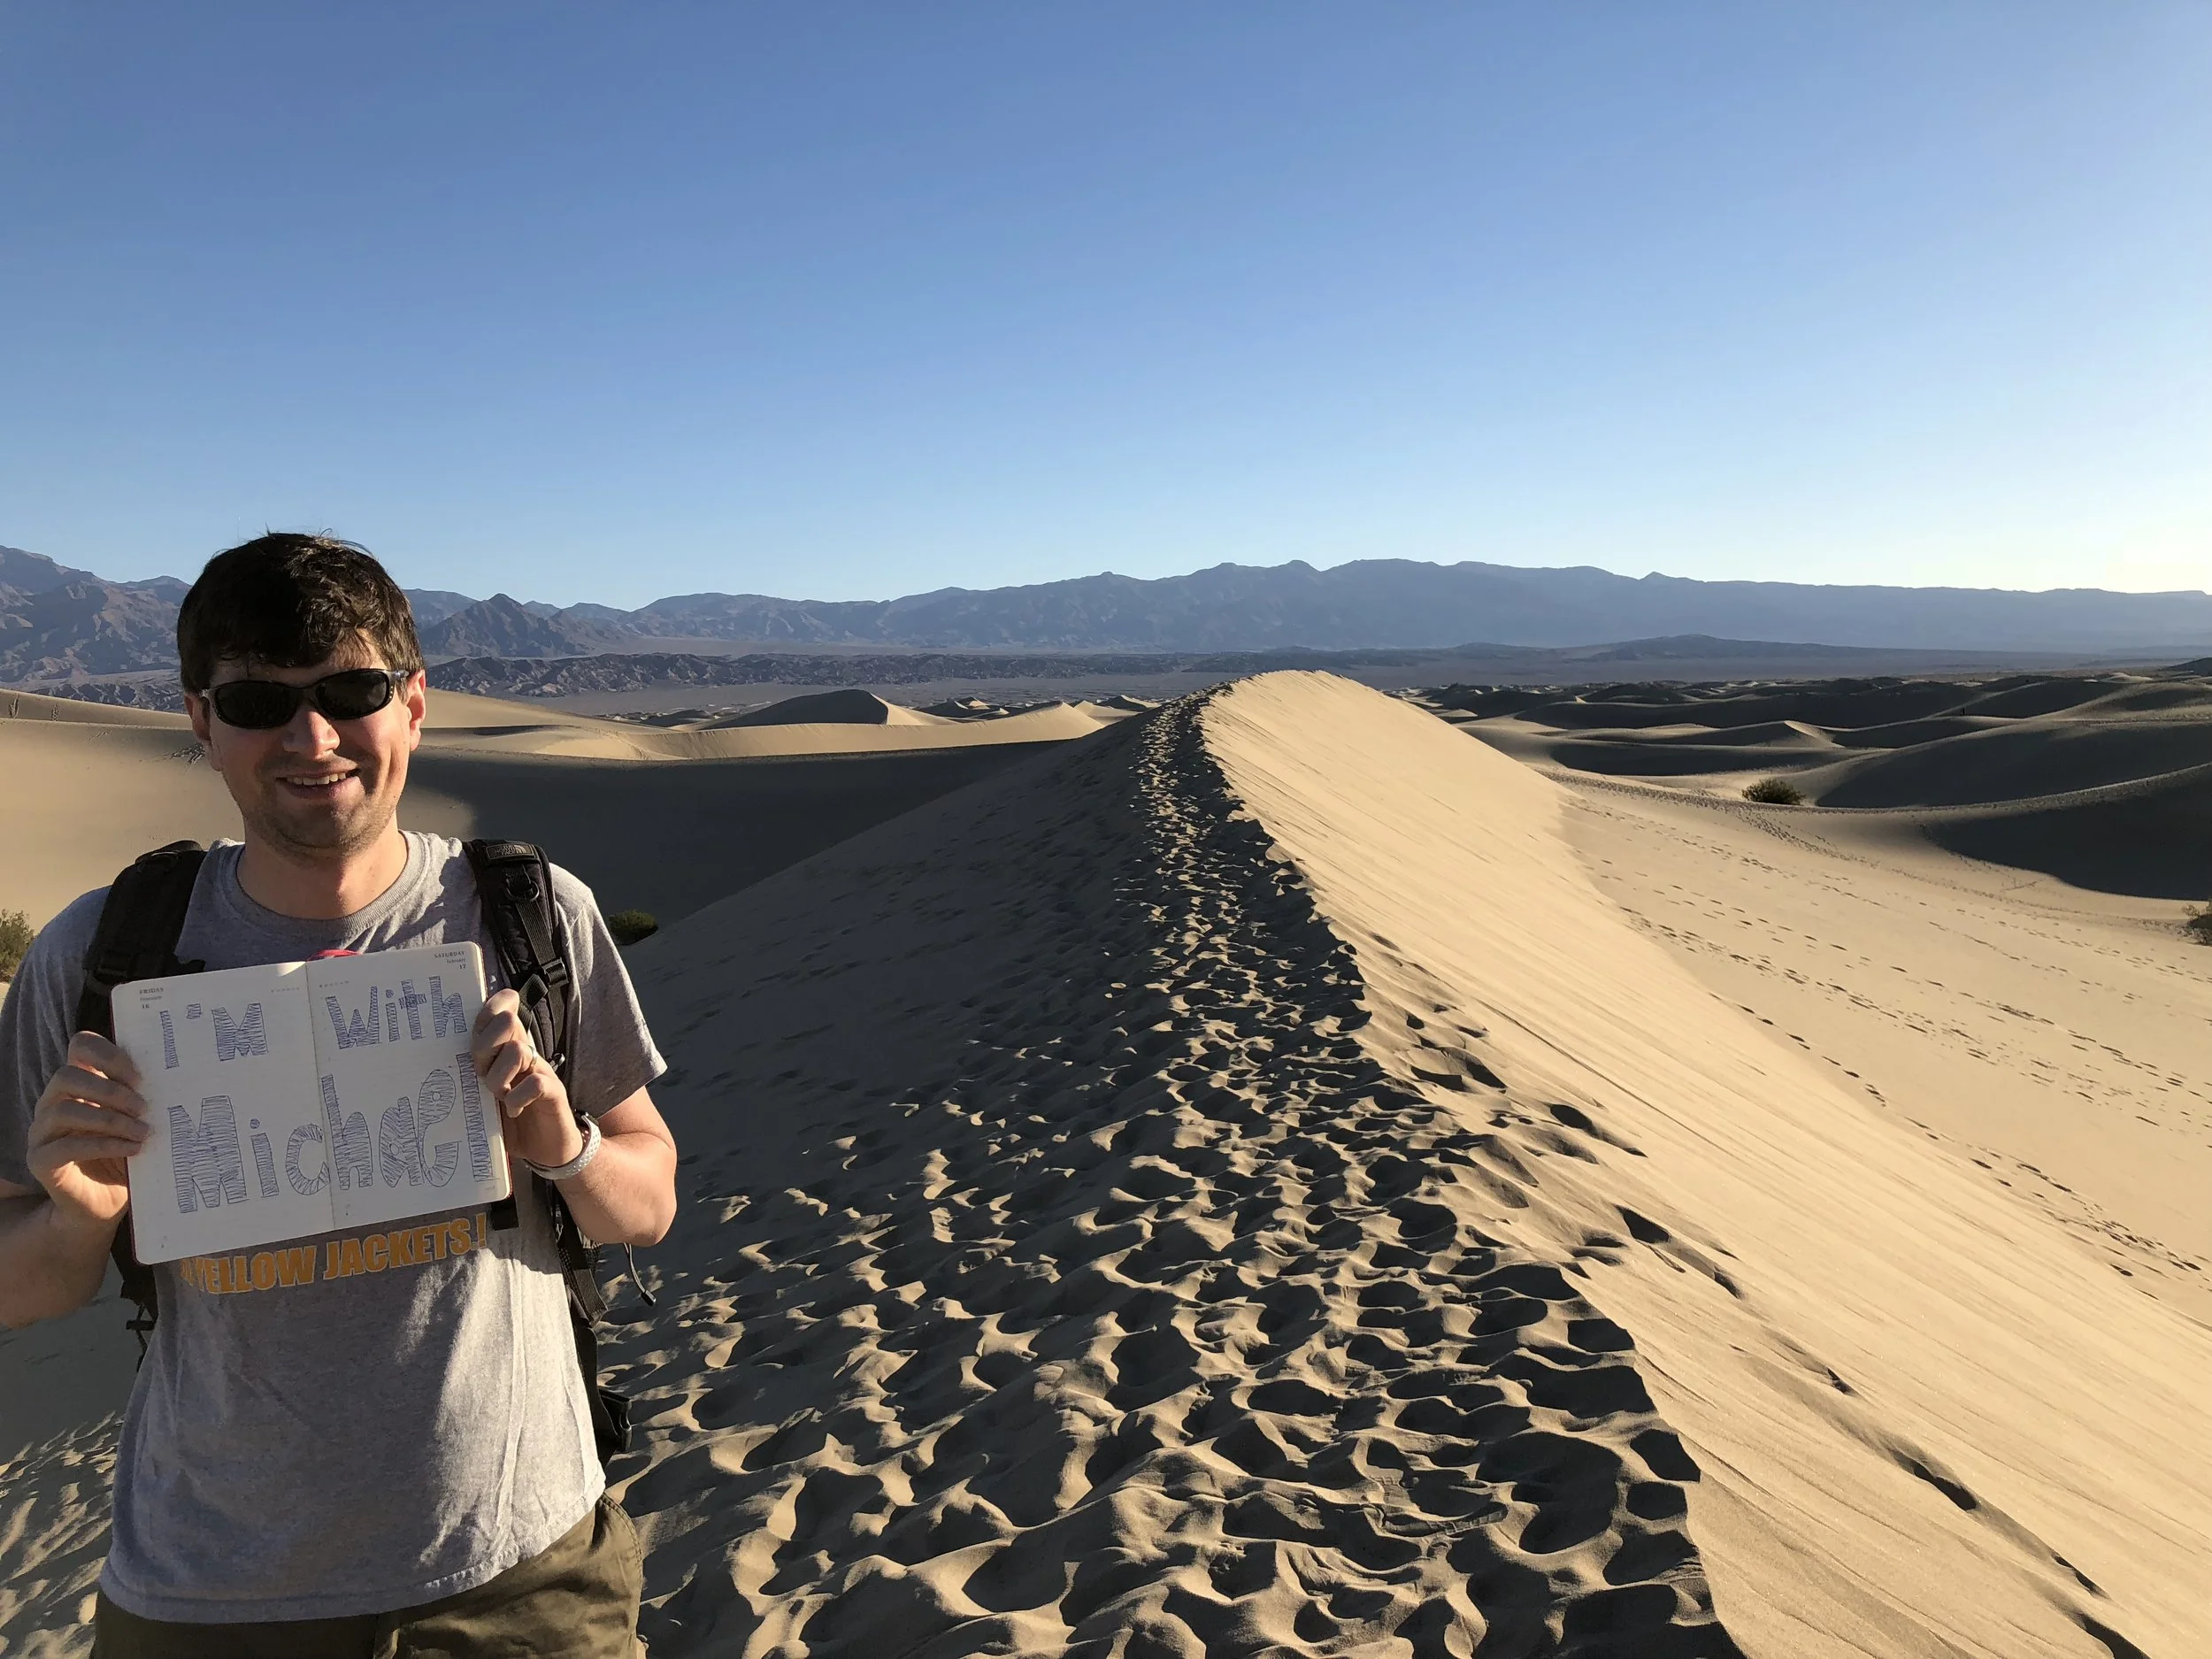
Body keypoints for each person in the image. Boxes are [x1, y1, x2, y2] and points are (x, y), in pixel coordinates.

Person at [0, 534, 678, 1657]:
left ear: (413, 703)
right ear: (201, 722)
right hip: (215, 1597)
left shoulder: (534, 917)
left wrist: (566, 1148)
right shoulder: (98, 956)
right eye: (260, 700)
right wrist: (80, 1216)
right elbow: (18, 1288)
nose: (311, 739)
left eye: (351, 692)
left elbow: (646, 1200)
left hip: (525, 1580)